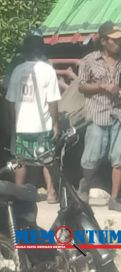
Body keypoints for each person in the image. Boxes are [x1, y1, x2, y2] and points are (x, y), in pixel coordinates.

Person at [78, 21, 121, 212]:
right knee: (92, 158)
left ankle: (115, 198)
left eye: (120, 40)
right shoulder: (89, 60)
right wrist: (102, 86)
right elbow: (82, 86)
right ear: (103, 41)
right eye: (114, 40)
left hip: (120, 114)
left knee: (120, 158)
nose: (118, 43)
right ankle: (85, 183)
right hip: (98, 114)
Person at [5, 34, 61, 203]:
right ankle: (51, 194)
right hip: (42, 125)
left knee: (20, 161)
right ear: (42, 49)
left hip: (22, 125)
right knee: (48, 161)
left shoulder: (17, 71)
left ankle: (18, 192)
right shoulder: (48, 70)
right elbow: (52, 102)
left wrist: (14, 122)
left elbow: (10, 101)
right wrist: (56, 123)